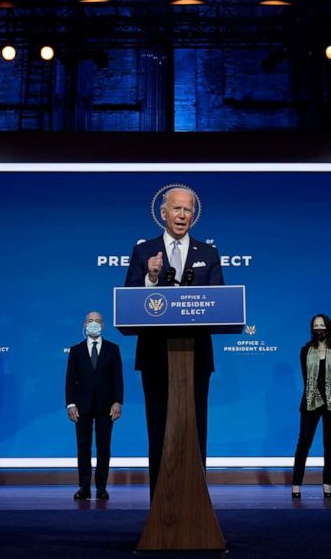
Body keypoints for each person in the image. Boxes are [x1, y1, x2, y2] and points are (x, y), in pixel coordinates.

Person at [124, 186, 224, 497]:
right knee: (159, 432)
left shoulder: (208, 254)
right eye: (176, 209)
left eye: (188, 210)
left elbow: (220, 303)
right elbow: (128, 302)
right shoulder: (144, 252)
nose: (182, 215)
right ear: (163, 213)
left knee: (195, 431)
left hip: (195, 358)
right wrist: (151, 278)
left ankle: (196, 503)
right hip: (155, 356)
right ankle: (160, 506)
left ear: (194, 215)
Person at [65, 311, 124, 500]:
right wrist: (70, 404)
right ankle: (84, 487)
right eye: (90, 321)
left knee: (104, 447)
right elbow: (69, 380)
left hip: (106, 406)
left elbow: (118, 378)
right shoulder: (76, 350)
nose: (94, 324)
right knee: (83, 447)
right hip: (81, 407)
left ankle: (101, 488)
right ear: (84, 325)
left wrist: (117, 401)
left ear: (103, 326)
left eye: (98, 321)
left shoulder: (113, 349)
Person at [291, 314, 331, 499]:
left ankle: (327, 484)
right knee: (303, 442)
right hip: (311, 399)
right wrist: (316, 393)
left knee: (330, 444)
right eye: (316, 326)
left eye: (322, 325)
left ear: (328, 328)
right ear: (312, 329)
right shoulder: (305, 350)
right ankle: (296, 485)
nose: (319, 328)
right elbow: (306, 377)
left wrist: (328, 393)